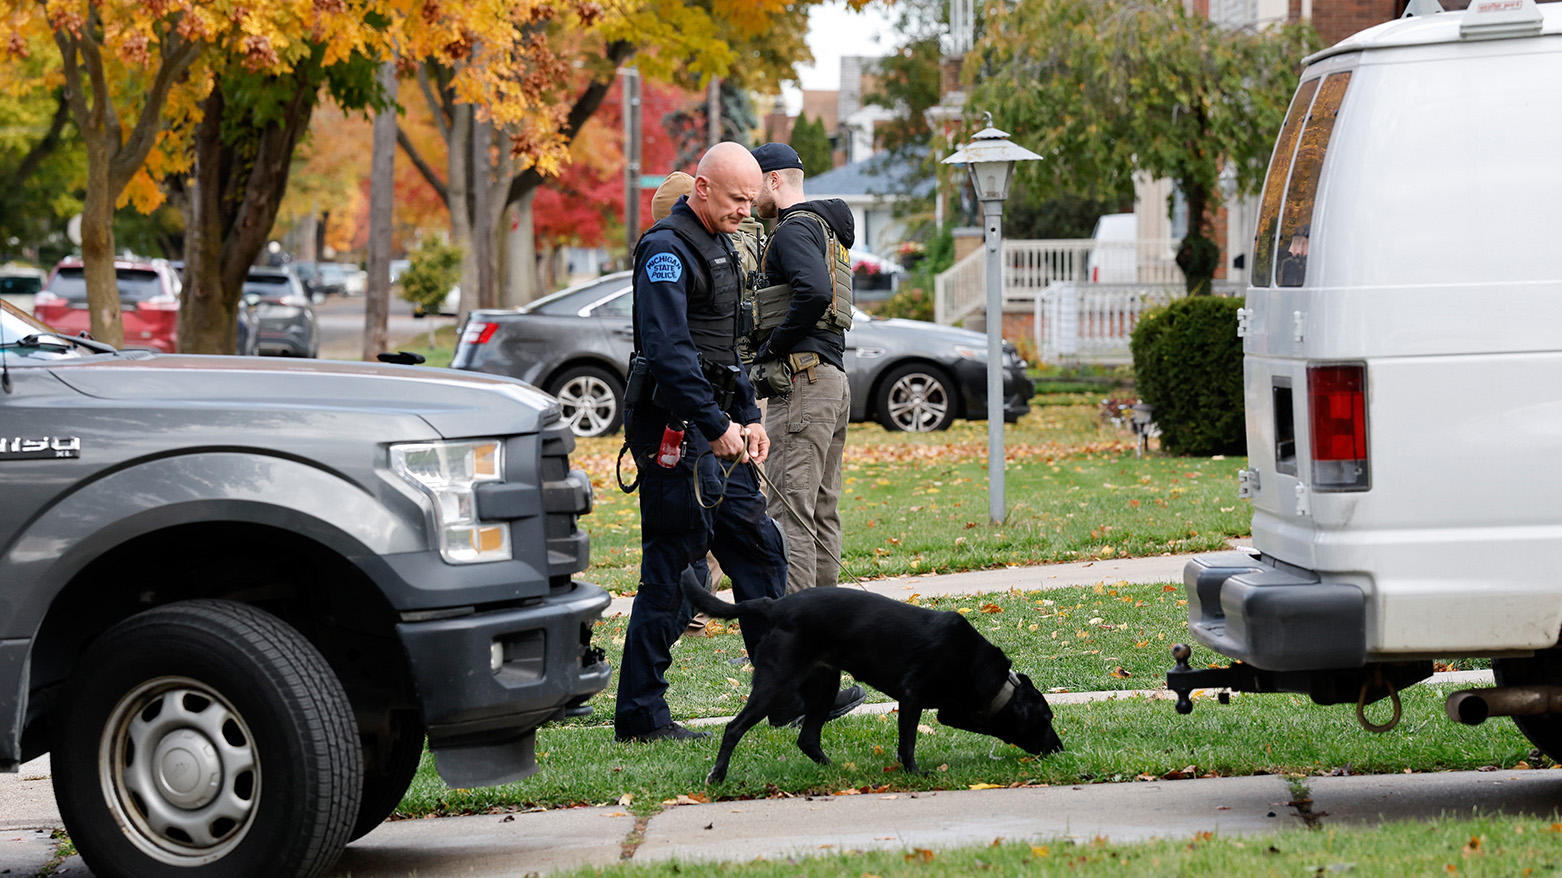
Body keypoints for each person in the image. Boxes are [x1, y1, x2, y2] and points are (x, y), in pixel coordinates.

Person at [614, 143, 790, 744]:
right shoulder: (666, 252)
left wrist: (749, 417)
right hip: (675, 432)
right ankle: (640, 714)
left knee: (759, 548)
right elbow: (669, 354)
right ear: (704, 188)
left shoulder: (718, 246)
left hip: (716, 426)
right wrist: (716, 428)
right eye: (739, 198)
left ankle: (785, 693)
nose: (748, 209)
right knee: (674, 565)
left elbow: (724, 351)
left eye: (752, 199)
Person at [747, 142, 855, 594]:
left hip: (803, 380)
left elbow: (813, 293)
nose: (748, 198)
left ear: (774, 180)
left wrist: (771, 345)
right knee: (820, 510)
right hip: (832, 380)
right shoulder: (825, 230)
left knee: (788, 511)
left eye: (753, 186)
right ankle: (827, 631)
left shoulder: (791, 231)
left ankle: (793, 640)